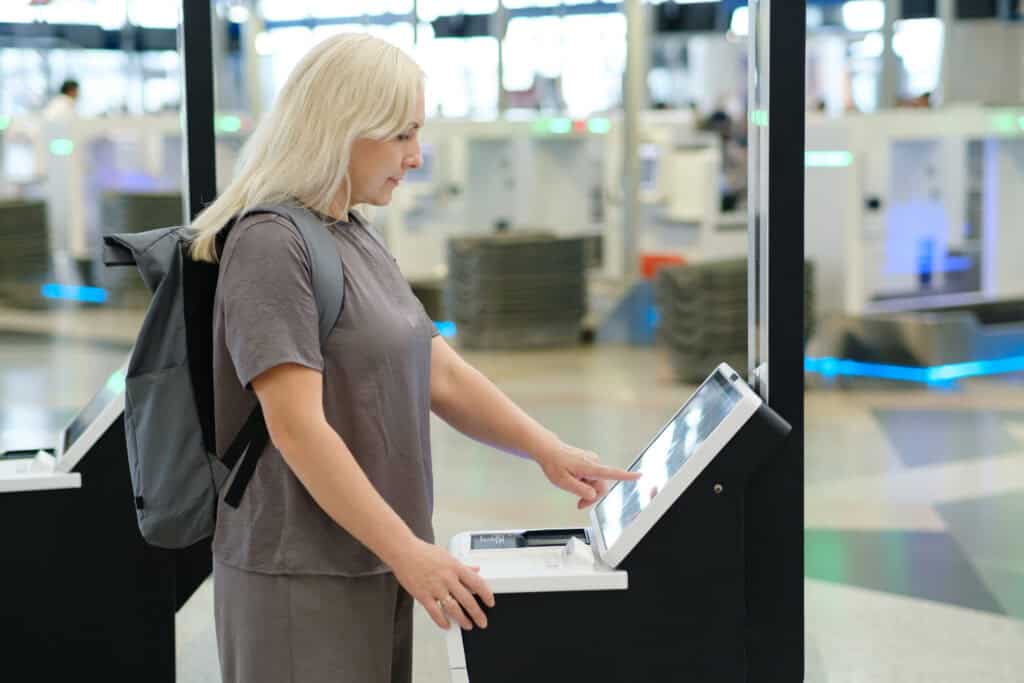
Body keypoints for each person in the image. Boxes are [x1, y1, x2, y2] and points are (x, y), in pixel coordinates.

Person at [188, 33, 640, 683]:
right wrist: (411, 553)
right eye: (402, 135)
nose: (416, 157)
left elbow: (440, 369)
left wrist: (548, 449)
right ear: (345, 126)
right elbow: (295, 425)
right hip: (302, 572)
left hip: (375, 559)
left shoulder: (351, 234)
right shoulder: (270, 243)